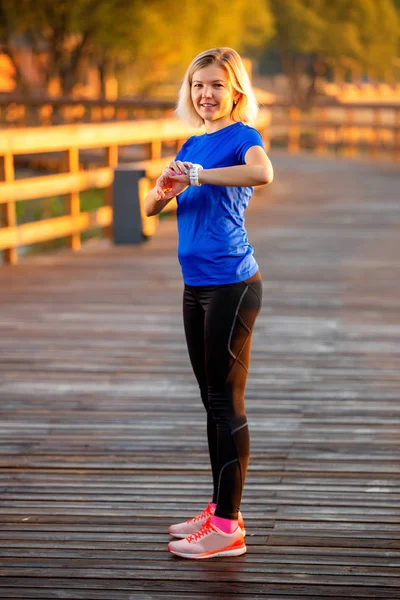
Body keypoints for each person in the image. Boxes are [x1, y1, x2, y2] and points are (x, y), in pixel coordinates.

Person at [144, 47, 273, 560]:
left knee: (226, 401)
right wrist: (164, 188)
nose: (206, 94)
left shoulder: (244, 139)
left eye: (217, 85)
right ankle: (222, 506)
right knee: (210, 399)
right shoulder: (192, 142)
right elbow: (152, 208)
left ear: (235, 91)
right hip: (195, 285)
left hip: (232, 284)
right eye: (199, 85)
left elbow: (262, 174)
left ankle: (227, 528)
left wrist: (198, 175)